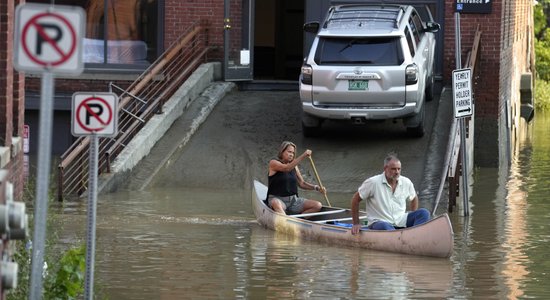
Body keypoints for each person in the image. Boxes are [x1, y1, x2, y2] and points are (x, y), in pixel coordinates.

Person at [351, 153, 430, 234]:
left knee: (424, 213)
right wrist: (356, 223)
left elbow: (414, 198)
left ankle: (415, 235)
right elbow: (355, 199)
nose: (397, 172)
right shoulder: (373, 182)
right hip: (380, 222)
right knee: (386, 227)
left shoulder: (406, 182)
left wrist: (414, 214)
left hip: (401, 220)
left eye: (399, 169)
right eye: (393, 169)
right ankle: (404, 238)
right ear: (385, 168)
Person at [266, 141, 325, 215]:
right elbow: (287, 168)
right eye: (289, 152)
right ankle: (285, 221)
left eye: (293, 153)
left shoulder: (294, 166)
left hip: (294, 201)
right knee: (276, 203)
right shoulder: (273, 163)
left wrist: (317, 188)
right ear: (282, 151)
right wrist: (304, 155)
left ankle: (300, 221)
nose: (291, 155)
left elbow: (302, 183)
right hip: (278, 199)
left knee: (317, 205)